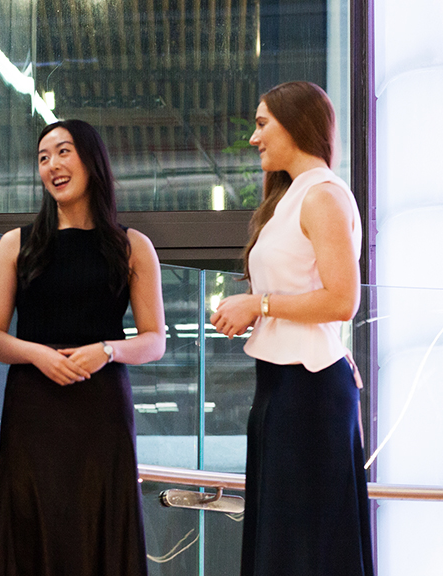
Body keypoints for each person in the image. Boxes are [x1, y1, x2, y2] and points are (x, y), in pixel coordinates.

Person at [0, 119, 166, 575]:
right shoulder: (15, 244)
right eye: (43, 158)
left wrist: (106, 350)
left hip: (100, 407)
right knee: (31, 519)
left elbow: (154, 340)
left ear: (91, 160)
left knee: (97, 522)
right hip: (33, 405)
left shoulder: (132, 246)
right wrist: (38, 354)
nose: (52, 165)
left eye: (63, 152)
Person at [211, 81, 374, 575]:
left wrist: (259, 305)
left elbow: (343, 300)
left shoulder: (322, 195)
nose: (254, 137)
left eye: (263, 124)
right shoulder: (292, 197)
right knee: (285, 543)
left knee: (304, 547)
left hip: (309, 389)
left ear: (296, 124)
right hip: (283, 386)